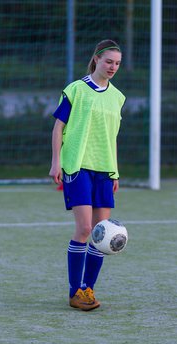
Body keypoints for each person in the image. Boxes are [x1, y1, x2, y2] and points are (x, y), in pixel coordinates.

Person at [49, 39, 126, 311]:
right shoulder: (76, 90)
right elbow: (58, 127)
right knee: (83, 229)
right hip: (77, 165)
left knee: (99, 234)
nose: (113, 67)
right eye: (108, 61)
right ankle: (74, 292)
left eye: (117, 63)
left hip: (104, 169)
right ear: (96, 59)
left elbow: (112, 137)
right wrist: (57, 161)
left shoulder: (118, 97)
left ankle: (88, 290)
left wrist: (115, 171)